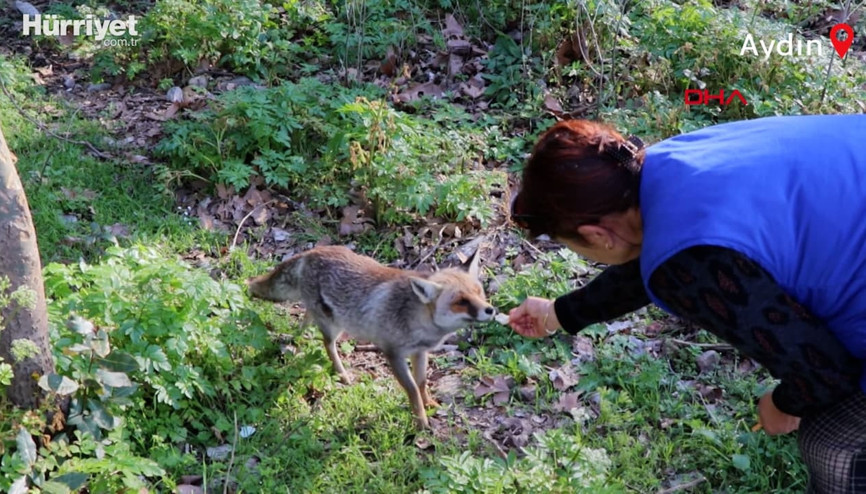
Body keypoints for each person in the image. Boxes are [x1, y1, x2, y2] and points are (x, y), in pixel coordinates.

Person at [506, 114, 866, 494]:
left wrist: (784, 404)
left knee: (831, 439)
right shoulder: (664, 165)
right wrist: (560, 313)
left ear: (596, 234)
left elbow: (822, 377)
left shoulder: (690, 259)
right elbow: (665, 254)